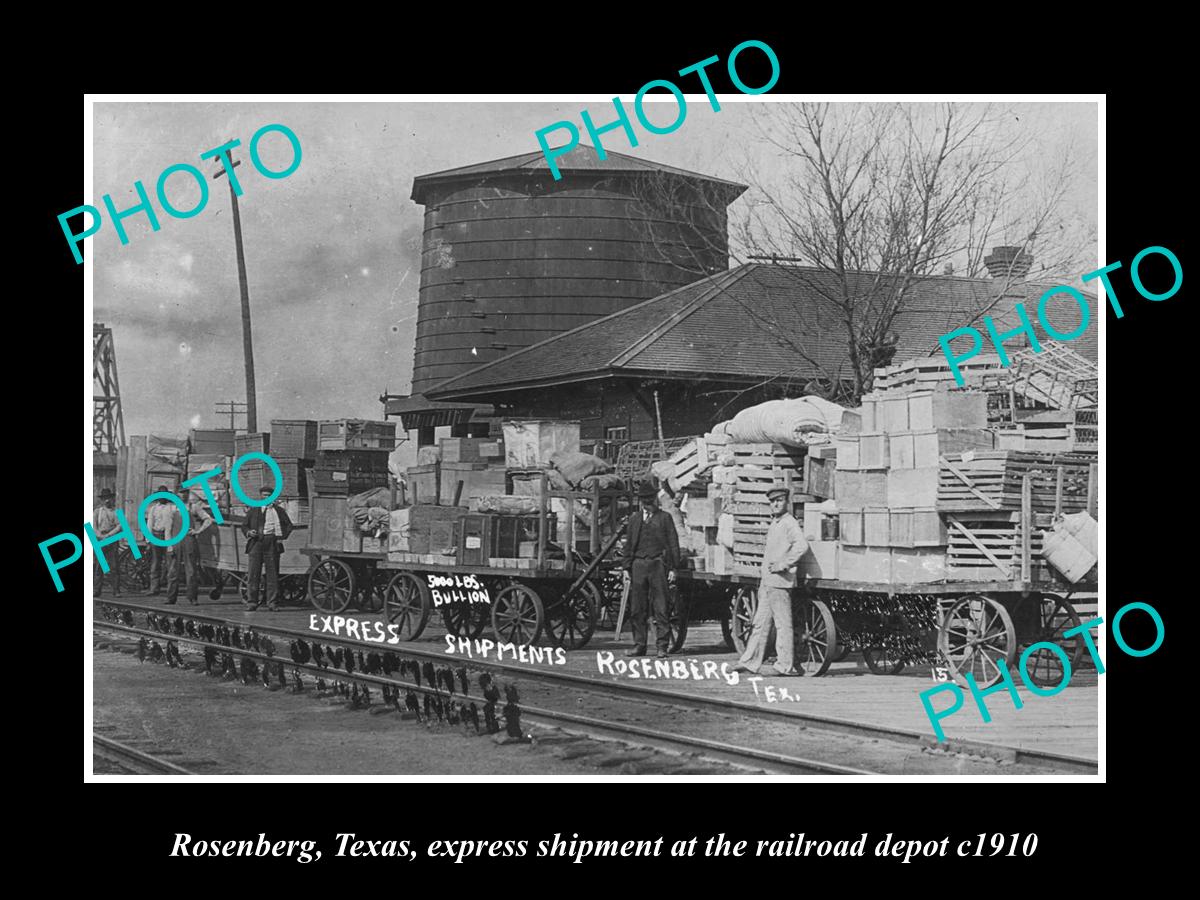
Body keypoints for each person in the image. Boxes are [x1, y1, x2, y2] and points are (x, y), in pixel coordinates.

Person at [734, 486, 809, 677]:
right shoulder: (775, 523)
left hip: (780, 581)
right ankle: (750, 661)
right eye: (772, 501)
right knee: (759, 623)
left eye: (779, 500)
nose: (775, 504)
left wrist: (783, 564)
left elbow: (801, 546)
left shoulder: (789, 523)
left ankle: (785, 665)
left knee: (783, 624)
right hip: (768, 582)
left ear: (786, 502)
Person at [620, 482, 680, 660]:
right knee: (638, 608)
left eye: (650, 499)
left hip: (658, 565)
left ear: (655, 499)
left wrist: (673, 568)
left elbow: (673, 544)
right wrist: (626, 567)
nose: (648, 503)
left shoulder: (665, 518)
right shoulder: (634, 519)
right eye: (644, 500)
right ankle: (639, 645)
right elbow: (629, 545)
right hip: (638, 565)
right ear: (641, 502)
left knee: (661, 607)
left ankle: (662, 646)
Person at [242, 486, 294, 611]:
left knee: (273, 575)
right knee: (253, 574)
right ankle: (252, 602)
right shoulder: (253, 510)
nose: (266, 498)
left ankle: (272, 603)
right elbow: (244, 526)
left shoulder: (279, 511)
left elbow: (289, 526)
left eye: (268, 495)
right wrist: (249, 532)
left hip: (272, 543)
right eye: (264, 495)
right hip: (256, 543)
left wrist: (281, 537)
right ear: (260, 496)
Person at [165, 486, 213, 606]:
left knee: (191, 571)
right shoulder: (172, 509)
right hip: (175, 541)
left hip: (189, 541)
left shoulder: (194, 507)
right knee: (172, 571)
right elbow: (168, 528)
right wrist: (169, 545)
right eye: (181, 493)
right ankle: (171, 597)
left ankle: (192, 597)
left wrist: (198, 530)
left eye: (186, 492)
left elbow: (208, 519)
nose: (184, 495)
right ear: (177, 494)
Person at [145, 486, 175, 595]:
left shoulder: (172, 507)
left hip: (168, 537)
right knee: (155, 563)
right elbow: (149, 524)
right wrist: (148, 540)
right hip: (155, 536)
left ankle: (169, 589)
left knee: (169, 563)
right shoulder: (153, 508)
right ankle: (154, 588)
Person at [92, 488, 121, 597]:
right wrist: (101, 536)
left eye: (109, 498)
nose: (107, 501)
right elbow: (94, 527)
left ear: (112, 499)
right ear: (102, 500)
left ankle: (116, 590)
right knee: (99, 567)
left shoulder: (117, 512)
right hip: (100, 539)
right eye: (105, 499)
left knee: (114, 566)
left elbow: (119, 526)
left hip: (112, 539)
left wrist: (108, 536)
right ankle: (97, 590)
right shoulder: (97, 512)